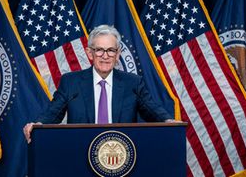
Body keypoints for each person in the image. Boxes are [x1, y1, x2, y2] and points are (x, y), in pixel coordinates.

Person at [23, 24, 176, 143]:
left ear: (117, 54)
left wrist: (168, 120)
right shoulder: (71, 82)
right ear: (90, 53)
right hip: (81, 151)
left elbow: (152, 110)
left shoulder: (133, 83)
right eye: (99, 50)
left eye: (110, 50)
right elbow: (53, 112)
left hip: (121, 154)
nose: (105, 56)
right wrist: (37, 124)